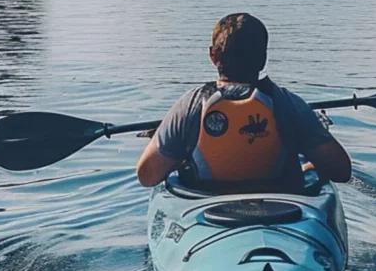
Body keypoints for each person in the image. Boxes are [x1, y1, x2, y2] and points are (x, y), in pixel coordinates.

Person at [136, 12, 352, 188]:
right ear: (263, 58)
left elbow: (147, 175)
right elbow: (341, 171)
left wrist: (179, 159)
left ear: (213, 56)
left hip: (205, 212)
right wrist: (311, 167)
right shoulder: (289, 105)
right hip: (281, 209)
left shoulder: (189, 107)